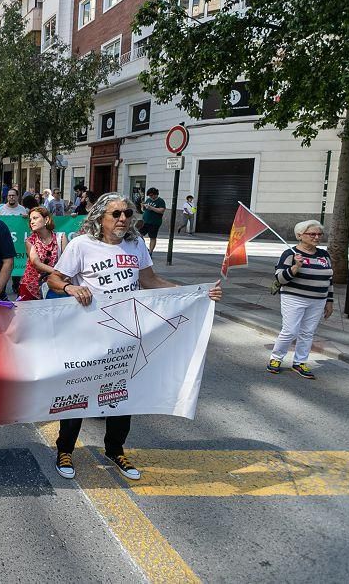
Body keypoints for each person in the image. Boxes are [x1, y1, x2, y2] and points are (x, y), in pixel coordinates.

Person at [46, 193, 222, 482]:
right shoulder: (81, 245)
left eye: (127, 213)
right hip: (89, 333)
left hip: (126, 334)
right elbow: (55, 278)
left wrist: (195, 293)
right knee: (79, 393)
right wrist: (70, 289)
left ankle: (115, 450)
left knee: (121, 395)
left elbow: (150, 281)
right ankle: (65, 449)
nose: (123, 219)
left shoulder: (136, 243)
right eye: (116, 214)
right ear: (100, 217)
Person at [267, 220, 333, 379]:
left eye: (319, 234)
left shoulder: (324, 255)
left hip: (318, 300)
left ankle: (300, 362)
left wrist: (329, 301)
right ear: (300, 235)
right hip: (294, 298)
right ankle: (276, 358)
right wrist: (296, 267)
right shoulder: (290, 254)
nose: (317, 237)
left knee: (308, 332)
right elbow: (280, 279)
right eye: (312, 234)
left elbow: (329, 279)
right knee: (290, 331)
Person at [18, 207, 64, 301]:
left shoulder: (61, 237)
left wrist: (62, 276)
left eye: (35, 218)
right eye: (30, 219)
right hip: (31, 285)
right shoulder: (30, 241)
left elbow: (67, 261)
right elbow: (36, 264)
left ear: (46, 219)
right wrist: (58, 272)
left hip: (53, 284)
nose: (32, 222)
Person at [141, 187, 167, 255]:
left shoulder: (160, 201)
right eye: (149, 195)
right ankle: (145, 248)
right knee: (139, 235)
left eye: (152, 195)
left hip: (154, 222)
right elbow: (144, 210)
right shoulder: (148, 200)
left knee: (152, 237)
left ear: (156, 194)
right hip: (145, 221)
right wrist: (143, 206)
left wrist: (151, 208)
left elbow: (161, 211)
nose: (150, 197)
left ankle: (150, 252)